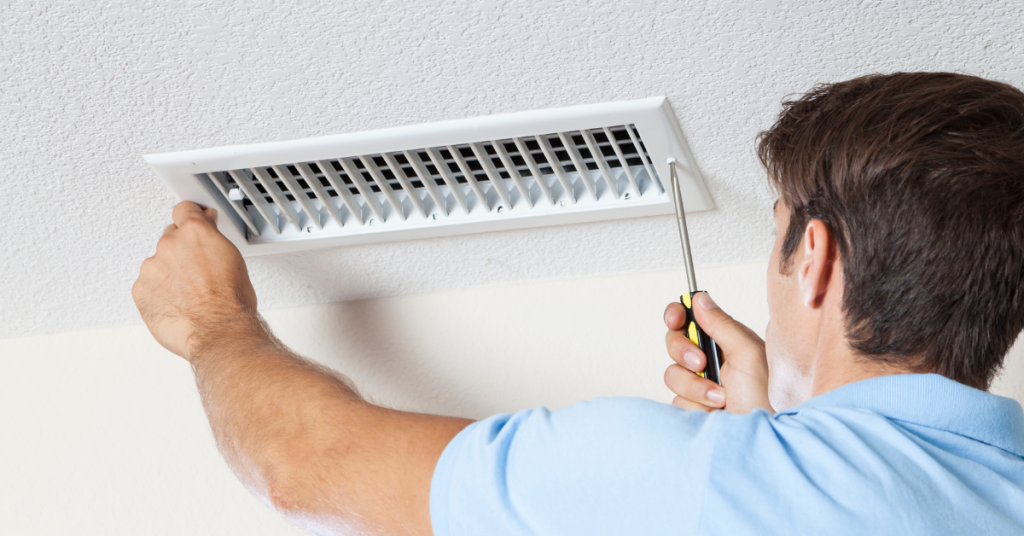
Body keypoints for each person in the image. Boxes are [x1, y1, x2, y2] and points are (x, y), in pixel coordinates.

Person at [132, 72, 1024, 535]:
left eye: (777, 235)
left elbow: (301, 467)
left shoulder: (696, 480)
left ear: (815, 260)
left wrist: (214, 325)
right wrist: (773, 429)